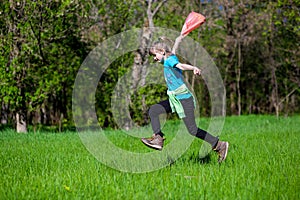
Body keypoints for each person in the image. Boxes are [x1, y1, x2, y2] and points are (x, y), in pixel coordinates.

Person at [141, 38, 229, 163]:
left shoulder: (170, 60)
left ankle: (219, 145)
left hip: (183, 99)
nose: (154, 58)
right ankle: (158, 139)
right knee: (154, 110)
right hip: (174, 99)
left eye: (155, 55)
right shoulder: (169, 57)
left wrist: (193, 67)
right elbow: (172, 50)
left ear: (161, 51)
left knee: (192, 129)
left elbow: (180, 66)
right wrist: (178, 39)